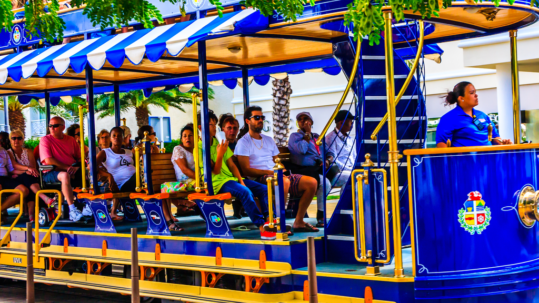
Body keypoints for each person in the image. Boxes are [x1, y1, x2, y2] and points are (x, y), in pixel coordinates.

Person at [235, 106, 319, 233]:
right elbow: (246, 170)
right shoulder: (243, 142)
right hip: (260, 178)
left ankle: (299, 221)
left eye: (262, 117)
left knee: (312, 182)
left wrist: (283, 172)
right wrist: (271, 172)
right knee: (283, 182)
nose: (260, 120)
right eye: (256, 117)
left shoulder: (268, 140)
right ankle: (278, 223)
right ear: (247, 121)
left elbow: (277, 161)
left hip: (277, 175)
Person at [197, 109, 276, 240]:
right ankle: (261, 226)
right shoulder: (200, 148)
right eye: (211, 125)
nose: (215, 128)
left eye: (215, 125)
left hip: (230, 179)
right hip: (217, 182)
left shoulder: (218, 142)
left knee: (263, 189)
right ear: (201, 127)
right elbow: (215, 171)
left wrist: (241, 180)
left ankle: (269, 221)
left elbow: (232, 165)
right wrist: (220, 154)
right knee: (245, 193)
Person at [288, 112, 335, 228]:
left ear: (311, 122)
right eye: (300, 120)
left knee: (342, 178)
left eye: (306, 119)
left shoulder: (317, 137)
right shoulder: (295, 136)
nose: (303, 121)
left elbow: (329, 152)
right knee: (325, 184)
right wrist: (307, 135)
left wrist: (328, 160)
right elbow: (301, 150)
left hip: (319, 169)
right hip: (303, 171)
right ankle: (321, 215)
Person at [96, 127, 149, 223]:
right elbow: (92, 166)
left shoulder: (129, 152)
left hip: (136, 180)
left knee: (149, 175)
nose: (117, 137)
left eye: (119, 135)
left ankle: (164, 216)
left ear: (123, 138)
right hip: (122, 183)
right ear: (111, 138)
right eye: (114, 136)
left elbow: (140, 164)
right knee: (146, 177)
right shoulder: (105, 152)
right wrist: (108, 176)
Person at [39, 116, 87, 222]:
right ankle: (72, 210)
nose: (52, 128)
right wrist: (68, 168)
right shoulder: (45, 140)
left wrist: (77, 166)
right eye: (50, 126)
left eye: (55, 126)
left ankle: (88, 205)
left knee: (88, 172)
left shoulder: (70, 140)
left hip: (71, 169)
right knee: (65, 175)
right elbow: (49, 160)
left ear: (63, 127)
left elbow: (80, 157)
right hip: (51, 172)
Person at [436, 81, 512, 147]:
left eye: (475, 92)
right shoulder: (448, 118)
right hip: (465, 162)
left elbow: (495, 137)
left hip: (488, 161)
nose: (476, 95)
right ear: (461, 98)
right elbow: (442, 145)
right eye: (472, 93)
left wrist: (503, 143)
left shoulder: (482, 115)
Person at [7, 130, 55, 222]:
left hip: (28, 177)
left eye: (19, 138)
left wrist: (28, 170)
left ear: (23, 139)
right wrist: (27, 169)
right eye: (14, 138)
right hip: (15, 179)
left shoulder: (28, 151)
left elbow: (33, 166)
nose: (16, 140)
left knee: (28, 180)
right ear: (10, 140)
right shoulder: (8, 152)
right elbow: (13, 167)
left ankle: (31, 215)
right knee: (27, 177)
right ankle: (40, 202)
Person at [161, 124, 197, 216]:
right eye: (184, 136)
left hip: (195, 180)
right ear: (181, 139)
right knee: (203, 186)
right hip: (184, 181)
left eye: (190, 135)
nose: (187, 138)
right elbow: (184, 170)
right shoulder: (178, 149)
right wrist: (200, 179)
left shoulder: (197, 149)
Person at [324, 110, 357, 190]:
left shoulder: (350, 139)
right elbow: (334, 160)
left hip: (350, 170)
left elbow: (354, 156)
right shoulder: (330, 138)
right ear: (341, 122)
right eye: (350, 122)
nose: (352, 124)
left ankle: (355, 202)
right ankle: (347, 202)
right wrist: (351, 169)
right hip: (337, 173)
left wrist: (355, 167)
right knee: (354, 176)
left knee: (363, 175)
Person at [0, 142, 30, 225]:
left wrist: (27, 171)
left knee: (24, 191)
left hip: (4, 178)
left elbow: (11, 169)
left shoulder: (3, 151)